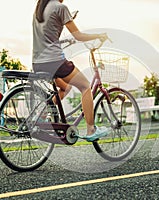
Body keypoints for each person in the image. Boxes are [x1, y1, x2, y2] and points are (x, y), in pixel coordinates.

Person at [32, 0, 109, 142]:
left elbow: (47, 33)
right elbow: (78, 36)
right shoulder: (61, 8)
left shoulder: (39, 10)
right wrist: (98, 35)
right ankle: (91, 130)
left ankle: (41, 116)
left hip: (37, 62)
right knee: (86, 87)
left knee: (65, 87)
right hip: (55, 62)